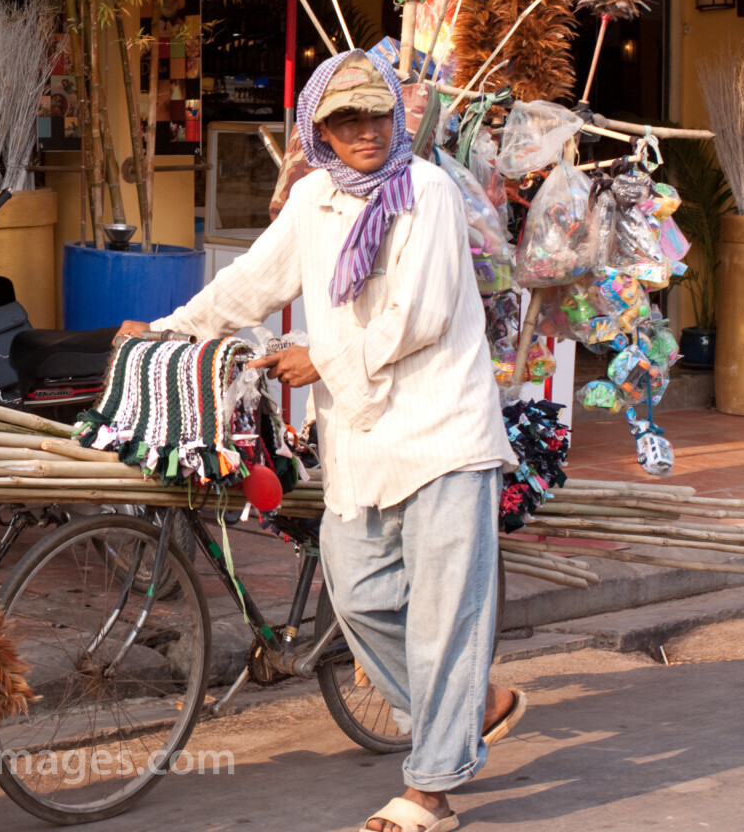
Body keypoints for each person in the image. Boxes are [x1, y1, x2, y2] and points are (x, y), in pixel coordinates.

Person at [118, 50, 526, 832]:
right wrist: (168, 332)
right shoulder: (312, 202)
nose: (365, 132)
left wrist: (320, 356)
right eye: (345, 121)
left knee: (445, 618)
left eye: (376, 114)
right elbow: (250, 284)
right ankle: (472, 704)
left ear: (397, 118)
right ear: (320, 132)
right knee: (362, 594)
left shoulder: (429, 193)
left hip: (442, 430)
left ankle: (431, 790)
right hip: (361, 442)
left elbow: (423, 314)